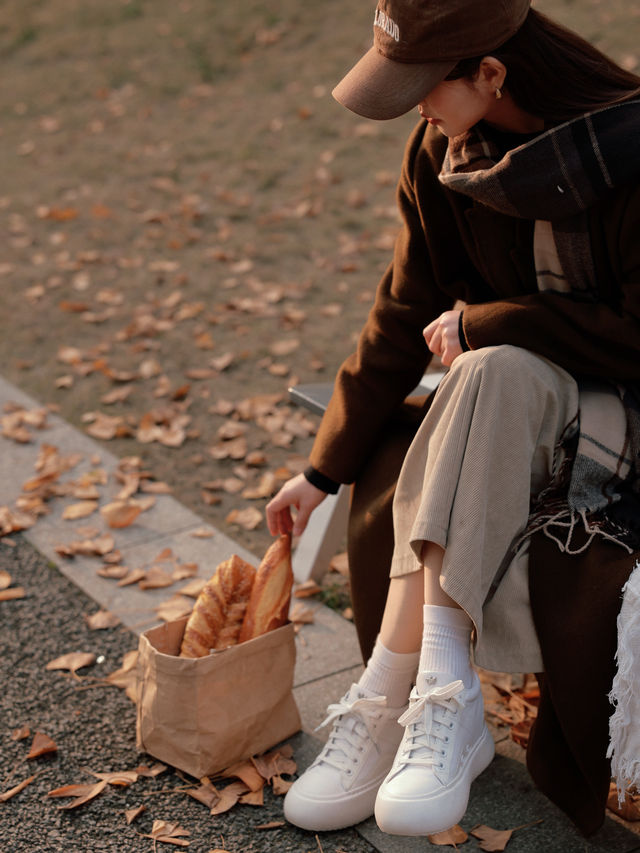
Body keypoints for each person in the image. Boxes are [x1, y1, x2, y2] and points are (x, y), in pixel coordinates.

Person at [266, 0, 640, 838]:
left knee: (487, 363)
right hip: (511, 405)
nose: (415, 110)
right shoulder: (446, 153)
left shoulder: (630, 156)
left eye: (424, 87)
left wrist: (493, 318)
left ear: (492, 75)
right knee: (487, 375)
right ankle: (430, 695)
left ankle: (395, 699)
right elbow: (403, 313)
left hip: (626, 414)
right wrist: (320, 473)